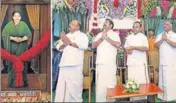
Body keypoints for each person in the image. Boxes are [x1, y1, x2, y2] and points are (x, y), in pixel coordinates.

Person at [55, 20, 88, 102]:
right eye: (70, 23)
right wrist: (65, 42)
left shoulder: (82, 36)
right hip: (64, 64)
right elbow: (59, 47)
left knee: (75, 87)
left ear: (78, 27)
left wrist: (68, 42)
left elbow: (83, 46)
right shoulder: (66, 35)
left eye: (73, 24)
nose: (70, 25)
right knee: (62, 88)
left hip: (75, 65)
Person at [92, 19, 121, 102]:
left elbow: (118, 45)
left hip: (110, 63)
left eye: (106, 22)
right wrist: (101, 38)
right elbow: (93, 46)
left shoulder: (115, 34)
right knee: (100, 85)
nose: (104, 23)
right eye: (104, 22)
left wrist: (107, 38)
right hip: (100, 63)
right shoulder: (99, 34)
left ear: (111, 25)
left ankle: (110, 100)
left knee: (110, 83)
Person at [2, 11, 32, 88]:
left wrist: (22, 39)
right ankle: (12, 84)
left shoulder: (24, 25)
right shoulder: (9, 25)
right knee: (12, 67)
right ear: (13, 17)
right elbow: (4, 35)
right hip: (11, 50)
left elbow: (29, 35)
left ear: (20, 17)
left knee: (22, 66)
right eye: (15, 16)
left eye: (18, 16)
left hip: (22, 49)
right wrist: (13, 38)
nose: (17, 17)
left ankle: (23, 84)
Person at [124, 21, 149, 100]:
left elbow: (146, 48)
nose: (135, 28)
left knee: (141, 82)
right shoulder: (129, 37)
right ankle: (133, 99)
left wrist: (134, 47)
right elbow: (126, 48)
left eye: (137, 26)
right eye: (134, 26)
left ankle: (143, 99)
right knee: (132, 81)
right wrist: (128, 51)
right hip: (131, 63)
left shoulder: (143, 37)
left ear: (141, 28)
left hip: (141, 63)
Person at [155, 20, 176, 102]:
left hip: (173, 61)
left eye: (167, 24)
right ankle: (163, 97)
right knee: (163, 80)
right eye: (164, 25)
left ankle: (173, 96)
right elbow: (155, 45)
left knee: (173, 79)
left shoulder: (175, 35)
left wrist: (166, 40)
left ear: (171, 25)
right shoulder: (160, 35)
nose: (165, 26)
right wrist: (162, 39)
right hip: (163, 61)